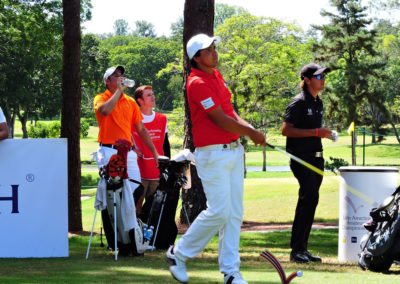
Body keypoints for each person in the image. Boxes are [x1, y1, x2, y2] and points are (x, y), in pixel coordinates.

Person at [165, 33, 266, 284]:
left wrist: (249, 129)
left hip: (233, 151)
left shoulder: (216, 76)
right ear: (196, 58)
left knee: (233, 214)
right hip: (212, 154)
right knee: (219, 211)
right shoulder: (197, 82)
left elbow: (231, 114)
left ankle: (231, 272)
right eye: (208, 50)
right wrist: (250, 132)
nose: (214, 53)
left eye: (214, 48)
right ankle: (178, 253)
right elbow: (219, 119)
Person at [282, 62, 332, 263]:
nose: (323, 79)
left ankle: (303, 248)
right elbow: (286, 130)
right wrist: (316, 132)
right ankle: (296, 251)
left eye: (323, 76)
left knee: (312, 200)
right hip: (301, 158)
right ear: (307, 80)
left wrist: (324, 135)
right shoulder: (299, 102)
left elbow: (314, 132)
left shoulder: (317, 102)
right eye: (319, 77)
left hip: (316, 158)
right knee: (308, 197)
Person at [94, 66, 159, 197]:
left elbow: (141, 129)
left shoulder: (130, 102)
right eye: (116, 75)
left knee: (136, 190)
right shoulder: (101, 98)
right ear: (107, 81)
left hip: (128, 152)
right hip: (108, 151)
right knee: (111, 193)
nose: (121, 78)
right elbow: (105, 111)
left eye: (121, 75)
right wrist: (119, 91)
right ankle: (111, 218)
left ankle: (131, 218)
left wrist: (154, 152)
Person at [132, 85, 171, 216]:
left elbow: (166, 143)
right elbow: (123, 137)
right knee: (137, 200)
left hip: (156, 168)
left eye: (152, 94)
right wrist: (132, 148)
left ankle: (151, 233)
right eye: (148, 95)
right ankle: (136, 232)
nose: (153, 97)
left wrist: (167, 165)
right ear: (140, 100)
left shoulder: (162, 118)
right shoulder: (132, 119)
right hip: (138, 167)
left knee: (154, 203)